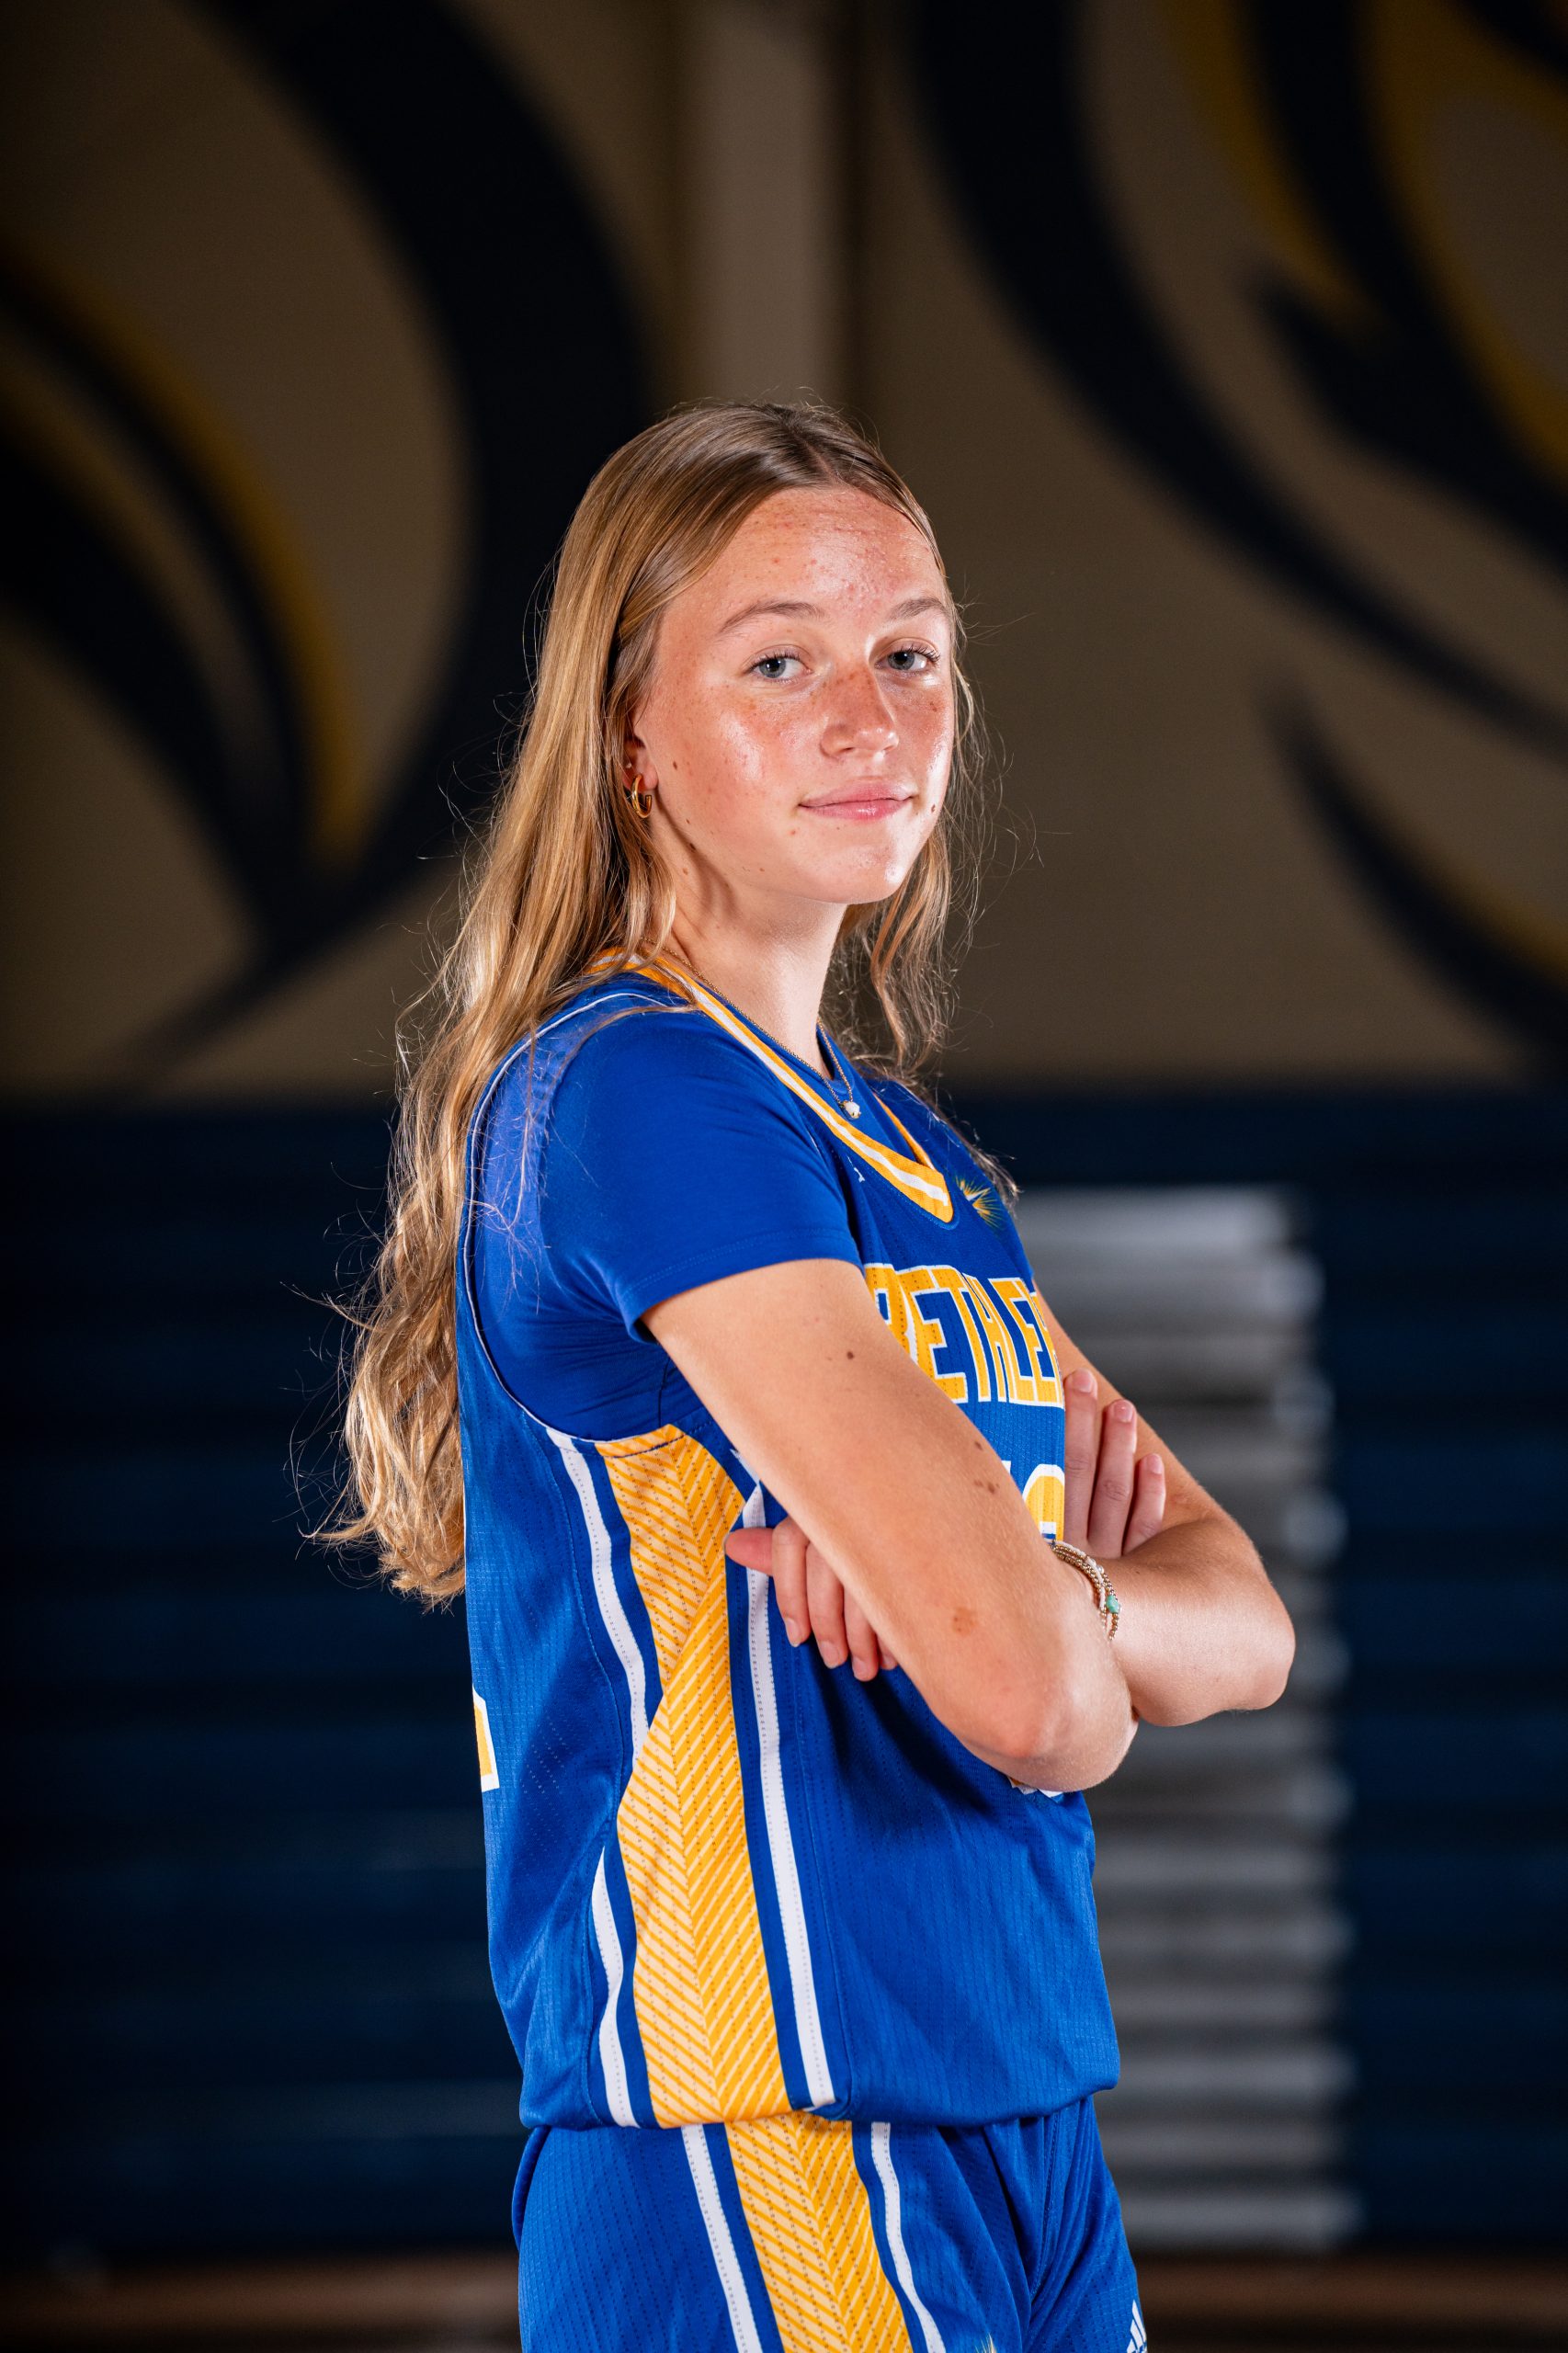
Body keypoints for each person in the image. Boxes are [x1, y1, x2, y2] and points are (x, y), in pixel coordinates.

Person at [338, 402, 1295, 2351]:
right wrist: (1052, 1634)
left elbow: (1250, 1627)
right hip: (758, 2123)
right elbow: (1041, 1705)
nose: (872, 717)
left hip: (1022, 2104)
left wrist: (1040, 1594)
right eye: (779, 662)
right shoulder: (639, 1092)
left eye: (910, 653)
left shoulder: (916, 1163)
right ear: (629, 732)